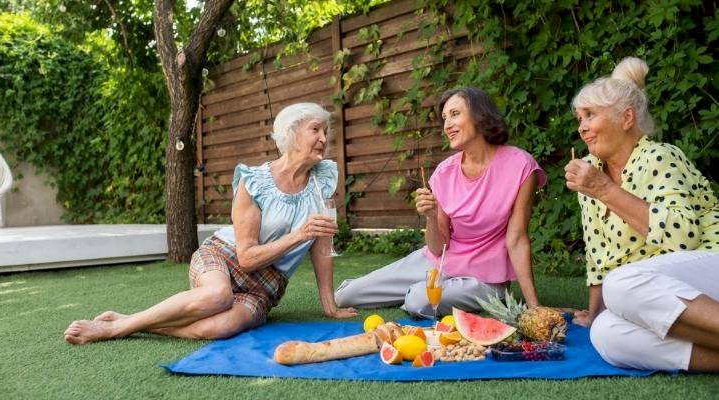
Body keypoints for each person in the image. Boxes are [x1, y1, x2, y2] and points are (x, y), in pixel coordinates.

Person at [64, 103, 358, 344]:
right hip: (225, 257)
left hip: (266, 285)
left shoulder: (323, 180)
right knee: (218, 296)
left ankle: (129, 322)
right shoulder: (254, 182)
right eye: (315, 130)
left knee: (219, 328)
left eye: (326, 131)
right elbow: (246, 257)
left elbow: (322, 246)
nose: (323, 138)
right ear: (292, 134)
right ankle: (114, 329)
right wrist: (299, 235)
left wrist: (329, 306)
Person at [335, 87, 547, 318]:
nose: (447, 125)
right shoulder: (444, 173)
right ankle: (413, 290)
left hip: (485, 278)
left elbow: (516, 240)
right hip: (440, 262)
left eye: (455, 114)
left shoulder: (521, 166)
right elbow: (438, 248)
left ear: (480, 115)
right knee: (346, 296)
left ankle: (417, 293)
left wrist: (534, 306)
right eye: (444, 118)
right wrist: (430, 216)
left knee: (419, 299)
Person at [565, 56, 719, 371]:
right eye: (579, 118)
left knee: (620, 284)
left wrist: (604, 190)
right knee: (607, 333)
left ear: (626, 118)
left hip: (708, 265)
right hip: (663, 292)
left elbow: (681, 238)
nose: (582, 128)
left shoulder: (660, 157)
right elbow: (598, 257)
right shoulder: (592, 172)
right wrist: (594, 315)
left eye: (590, 115)